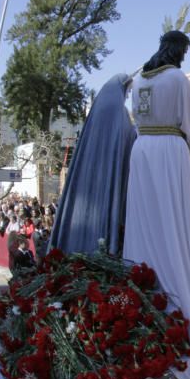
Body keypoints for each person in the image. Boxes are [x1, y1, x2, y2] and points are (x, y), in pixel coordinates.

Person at [123, 31, 190, 379]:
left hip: (143, 149)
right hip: (168, 153)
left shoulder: (141, 77)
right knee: (175, 229)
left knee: (146, 224)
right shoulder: (176, 77)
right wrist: (189, 142)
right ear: (179, 51)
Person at [50, 72, 137, 256]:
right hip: (105, 177)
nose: (127, 96)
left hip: (89, 174)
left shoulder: (97, 110)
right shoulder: (119, 112)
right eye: (127, 91)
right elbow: (128, 139)